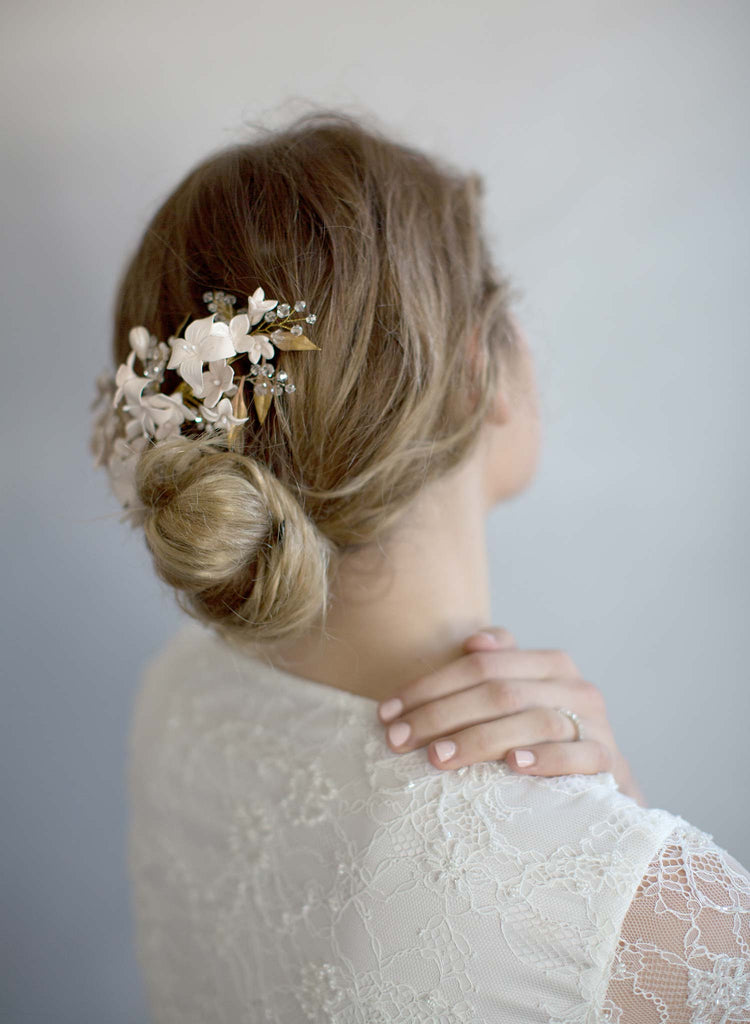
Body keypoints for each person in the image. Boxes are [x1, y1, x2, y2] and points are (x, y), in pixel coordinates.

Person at [91, 110, 750, 1022]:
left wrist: (612, 827)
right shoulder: (648, 918)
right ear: (481, 366)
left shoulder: (182, 698)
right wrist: (621, 868)